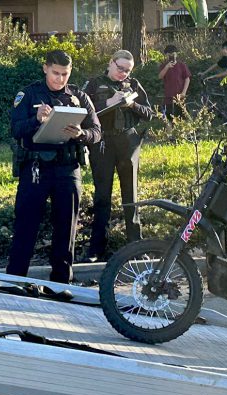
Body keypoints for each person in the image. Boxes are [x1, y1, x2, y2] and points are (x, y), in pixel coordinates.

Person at [7, 50, 101, 283]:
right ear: (45, 68)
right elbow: (15, 129)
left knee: (66, 228)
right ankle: (14, 279)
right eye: (55, 73)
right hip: (36, 167)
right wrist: (35, 120)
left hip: (67, 168)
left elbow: (97, 132)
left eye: (65, 74)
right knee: (25, 226)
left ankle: (61, 282)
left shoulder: (78, 96)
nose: (60, 79)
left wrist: (81, 134)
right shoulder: (28, 94)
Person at [82, 50, 153, 263]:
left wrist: (132, 104)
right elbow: (84, 115)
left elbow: (150, 113)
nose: (123, 73)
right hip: (103, 142)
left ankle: (135, 247)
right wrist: (109, 103)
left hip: (128, 143)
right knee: (102, 196)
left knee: (131, 196)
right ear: (110, 62)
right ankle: (96, 249)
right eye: (120, 68)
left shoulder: (134, 84)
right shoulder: (93, 85)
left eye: (127, 70)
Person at [198, 40, 227, 124]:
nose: (224, 50)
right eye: (223, 49)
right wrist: (204, 73)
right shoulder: (225, 58)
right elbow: (216, 65)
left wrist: (213, 76)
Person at [158, 44, 191, 121]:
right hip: (168, 97)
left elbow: (187, 78)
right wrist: (167, 67)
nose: (172, 56)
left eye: (173, 54)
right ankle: (170, 133)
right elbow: (160, 76)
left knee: (184, 118)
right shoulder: (163, 66)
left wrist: (184, 92)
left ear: (176, 54)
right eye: (169, 54)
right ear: (166, 55)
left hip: (180, 97)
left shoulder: (181, 65)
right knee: (168, 120)